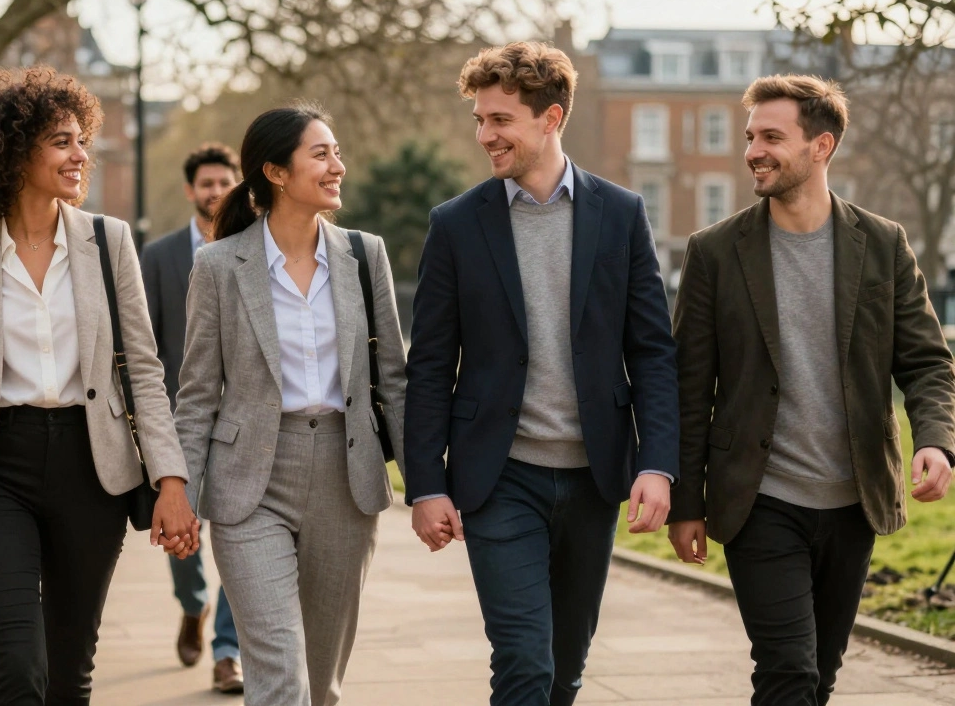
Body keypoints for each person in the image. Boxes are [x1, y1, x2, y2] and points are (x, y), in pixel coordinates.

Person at [0, 66, 200, 706]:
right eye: (62, 141)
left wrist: (171, 480)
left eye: (81, 139)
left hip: (90, 468)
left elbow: (144, 370)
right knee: (15, 668)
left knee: (70, 674)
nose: (81, 155)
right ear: (14, 151)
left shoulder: (108, 240)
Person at [403, 42, 679, 706]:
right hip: (499, 478)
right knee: (524, 660)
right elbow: (431, 366)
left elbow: (651, 351)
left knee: (564, 670)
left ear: (550, 117)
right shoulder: (456, 225)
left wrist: (657, 463)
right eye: (479, 119)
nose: (484, 135)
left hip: (596, 478)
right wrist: (424, 485)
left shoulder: (620, 214)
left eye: (499, 120)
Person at [668, 74, 955, 706]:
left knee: (819, 677)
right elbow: (689, 387)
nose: (753, 151)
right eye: (750, 137)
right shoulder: (714, 252)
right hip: (759, 499)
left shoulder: (882, 244)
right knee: (788, 672)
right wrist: (686, 499)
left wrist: (935, 440)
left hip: (854, 500)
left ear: (821, 147)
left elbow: (928, 362)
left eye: (772, 137)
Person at [175, 104, 407, 706]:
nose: (338, 166)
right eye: (321, 154)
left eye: (336, 152)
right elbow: (197, 393)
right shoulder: (219, 266)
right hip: (249, 482)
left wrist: (427, 486)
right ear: (276, 173)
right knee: (278, 672)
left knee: (322, 682)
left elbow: (394, 380)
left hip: (344, 475)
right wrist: (176, 491)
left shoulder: (364, 255)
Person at [139, 142, 243, 693]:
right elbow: (144, 345)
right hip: (180, 422)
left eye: (224, 181)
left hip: (246, 424)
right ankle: (192, 603)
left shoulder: (259, 246)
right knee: (181, 535)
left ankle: (227, 651)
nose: (215, 192)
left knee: (242, 539)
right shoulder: (157, 257)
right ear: (190, 191)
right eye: (206, 184)